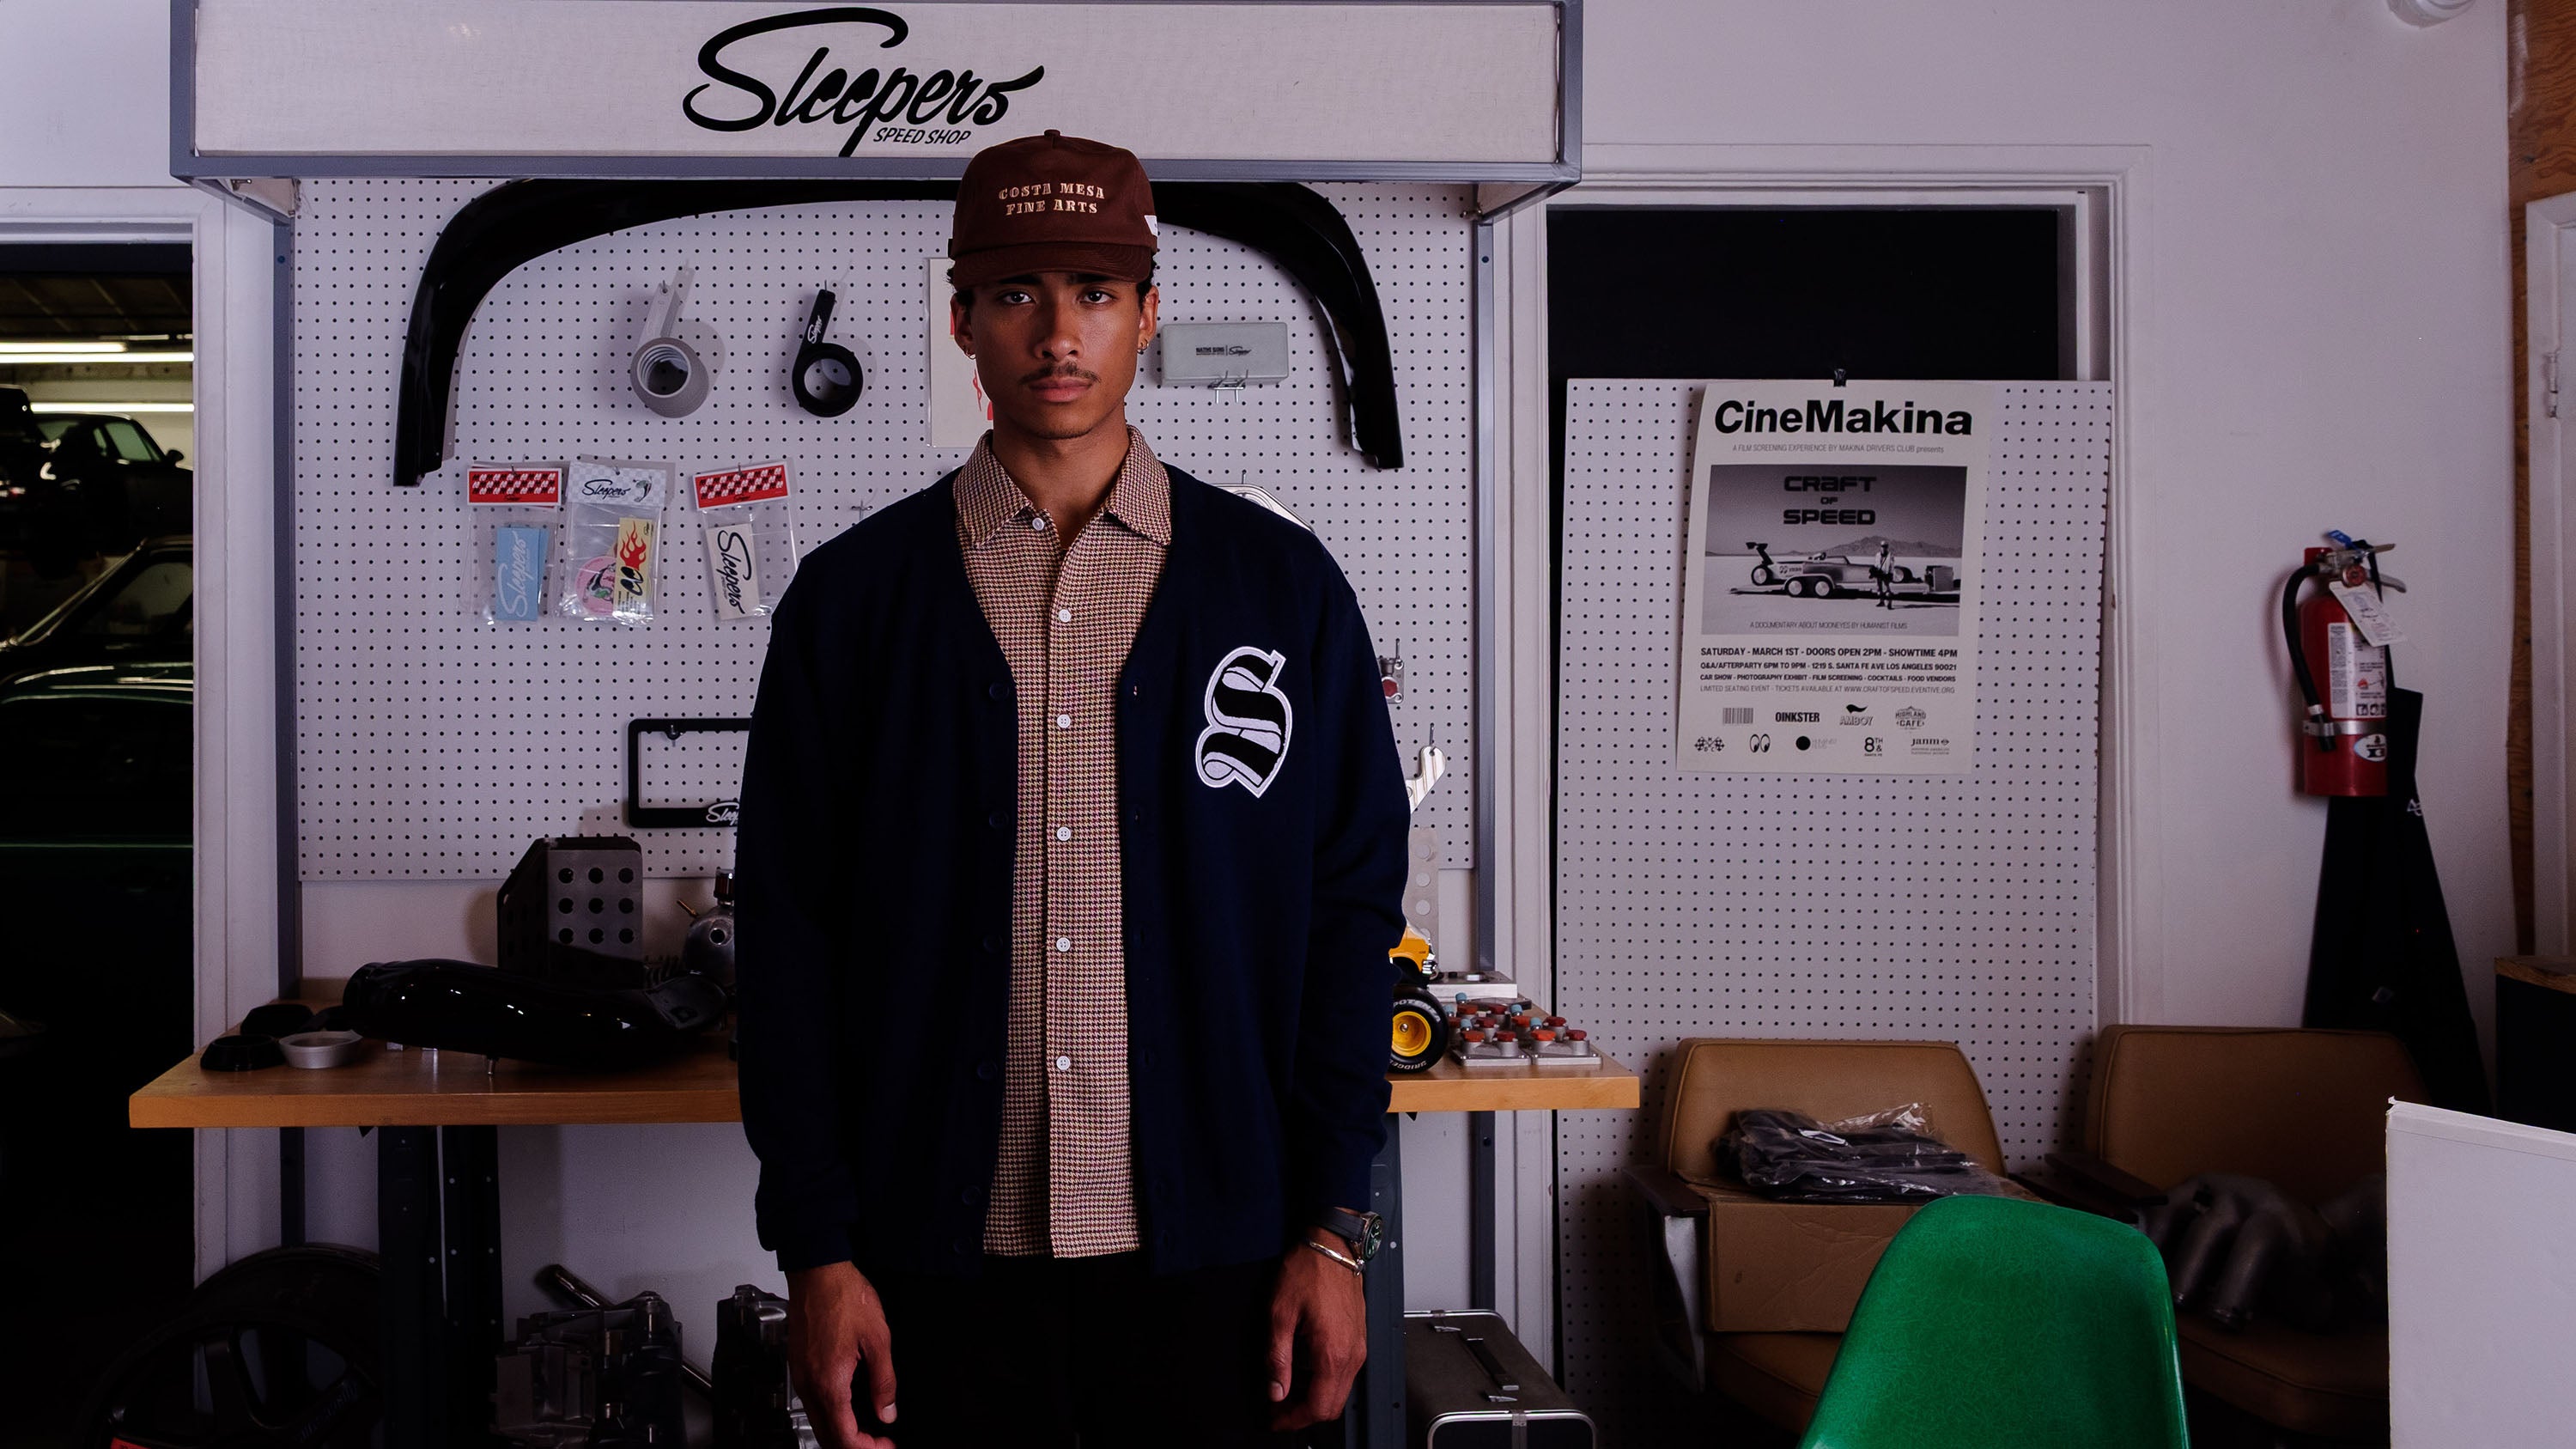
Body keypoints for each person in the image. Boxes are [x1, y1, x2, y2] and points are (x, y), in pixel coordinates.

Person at [733, 131, 1411, 1449]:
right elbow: (789, 941)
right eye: (1017, 293)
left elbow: (1348, 919)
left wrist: (1335, 1227)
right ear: (962, 322)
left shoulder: (1282, 589)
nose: (1058, 333)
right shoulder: (855, 601)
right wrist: (815, 1247)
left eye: (1096, 293)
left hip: (1223, 1259)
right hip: (930, 1266)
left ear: (1148, 316)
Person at [1874, 539, 1895, 609]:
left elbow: (1892, 566)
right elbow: (1876, 564)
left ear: (1887, 547)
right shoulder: (1878, 555)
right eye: (1882, 546)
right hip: (1879, 574)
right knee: (1879, 588)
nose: (1884, 548)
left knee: (1887, 589)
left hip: (1886, 574)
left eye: (1885, 546)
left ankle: (1889, 603)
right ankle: (1882, 601)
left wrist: (1890, 574)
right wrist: (1875, 571)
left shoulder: (1890, 555)